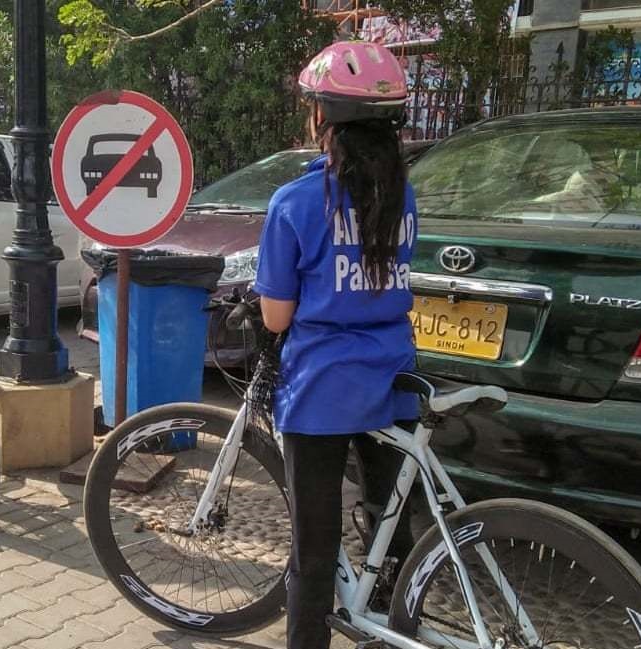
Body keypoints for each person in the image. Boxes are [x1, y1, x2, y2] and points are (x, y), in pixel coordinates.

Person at [253, 41, 419, 649]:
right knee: (388, 525)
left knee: (312, 553)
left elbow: (276, 318)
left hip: (322, 387)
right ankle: (392, 622)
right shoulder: (405, 197)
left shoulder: (296, 201)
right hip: (395, 377)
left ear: (323, 117)